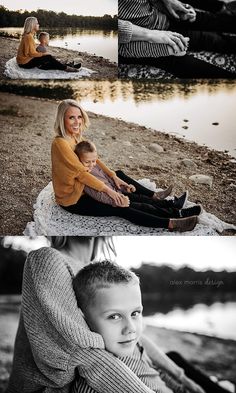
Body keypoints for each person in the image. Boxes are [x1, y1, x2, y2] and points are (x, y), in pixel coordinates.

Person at [6, 237, 206, 393]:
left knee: (174, 359)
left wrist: (182, 378)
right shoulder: (48, 259)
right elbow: (82, 352)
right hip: (69, 383)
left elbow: (138, 339)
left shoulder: (99, 273)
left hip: (130, 367)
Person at [72, 260, 231, 393]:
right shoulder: (100, 381)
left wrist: (183, 386)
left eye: (135, 313)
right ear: (82, 318)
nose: (131, 328)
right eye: (114, 316)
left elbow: (156, 372)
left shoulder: (130, 345)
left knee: (174, 357)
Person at [51, 99, 200, 232]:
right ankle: (172, 222)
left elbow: (95, 159)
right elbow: (81, 174)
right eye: (71, 118)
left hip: (87, 187)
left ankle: (171, 207)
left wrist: (113, 177)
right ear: (62, 119)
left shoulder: (75, 137)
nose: (77, 122)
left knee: (123, 185)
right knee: (122, 207)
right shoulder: (60, 143)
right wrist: (111, 192)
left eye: (79, 117)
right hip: (75, 199)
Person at [74, 139, 202, 219]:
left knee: (144, 199)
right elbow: (99, 196)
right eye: (87, 162)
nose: (91, 165)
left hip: (118, 193)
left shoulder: (94, 166)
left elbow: (109, 178)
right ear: (78, 161)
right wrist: (117, 201)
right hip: (115, 200)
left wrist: (125, 187)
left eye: (93, 161)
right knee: (144, 207)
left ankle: (172, 204)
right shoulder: (85, 177)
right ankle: (176, 214)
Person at [118, 0, 236, 78]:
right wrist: (153, 38)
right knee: (183, 59)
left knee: (210, 36)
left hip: (162, 18)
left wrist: (170, 3)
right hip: (131, 42)